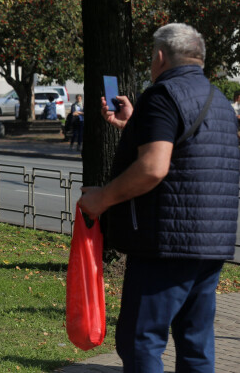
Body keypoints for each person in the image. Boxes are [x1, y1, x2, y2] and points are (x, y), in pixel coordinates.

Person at [78, 23, 239, 372]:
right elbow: (189, 151)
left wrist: (102, 199)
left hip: (165, 243)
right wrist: (135, 123)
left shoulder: (162, 95)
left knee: (140, 341)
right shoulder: (221, 102)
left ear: (161, 56)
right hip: (212, 243)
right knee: (196, 343)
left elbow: (153, 168)